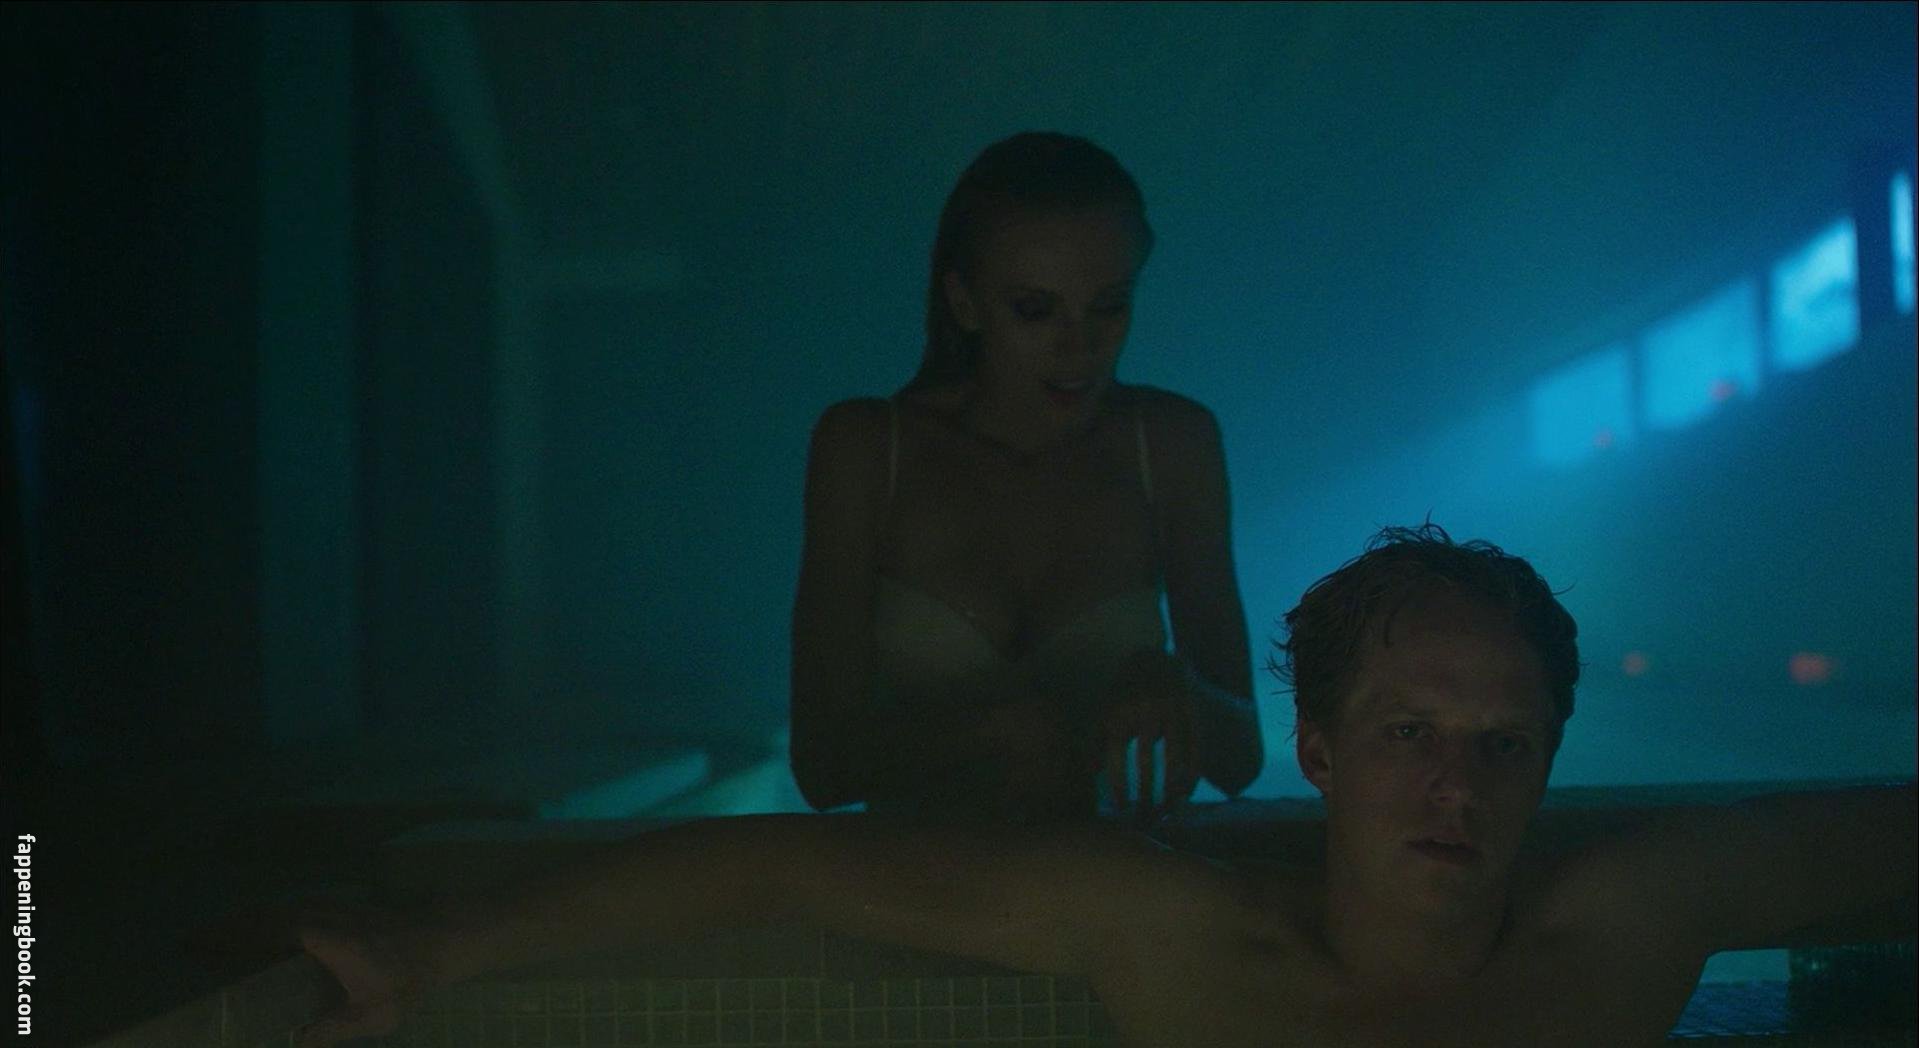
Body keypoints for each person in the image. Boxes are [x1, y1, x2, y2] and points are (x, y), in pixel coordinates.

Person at [299, 524, 1916, 1047]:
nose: (1455, 784)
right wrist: (432, 952)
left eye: (1499, 743)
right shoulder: (1181, 944)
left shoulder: (1626, 928)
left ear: (1549, 759)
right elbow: (775, 863)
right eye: (1407, 732)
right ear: (1316, 752)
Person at [791, 131, 1264, 824]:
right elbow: (821, 767)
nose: (1079, 346)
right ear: (964, 303)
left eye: (1109, 305)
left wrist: (1175, 690)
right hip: (920, 878)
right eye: (1035, 310)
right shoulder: (867, 447)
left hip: (1119, 876)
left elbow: (1241, 756)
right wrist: (996, 730)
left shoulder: (1169, 442)